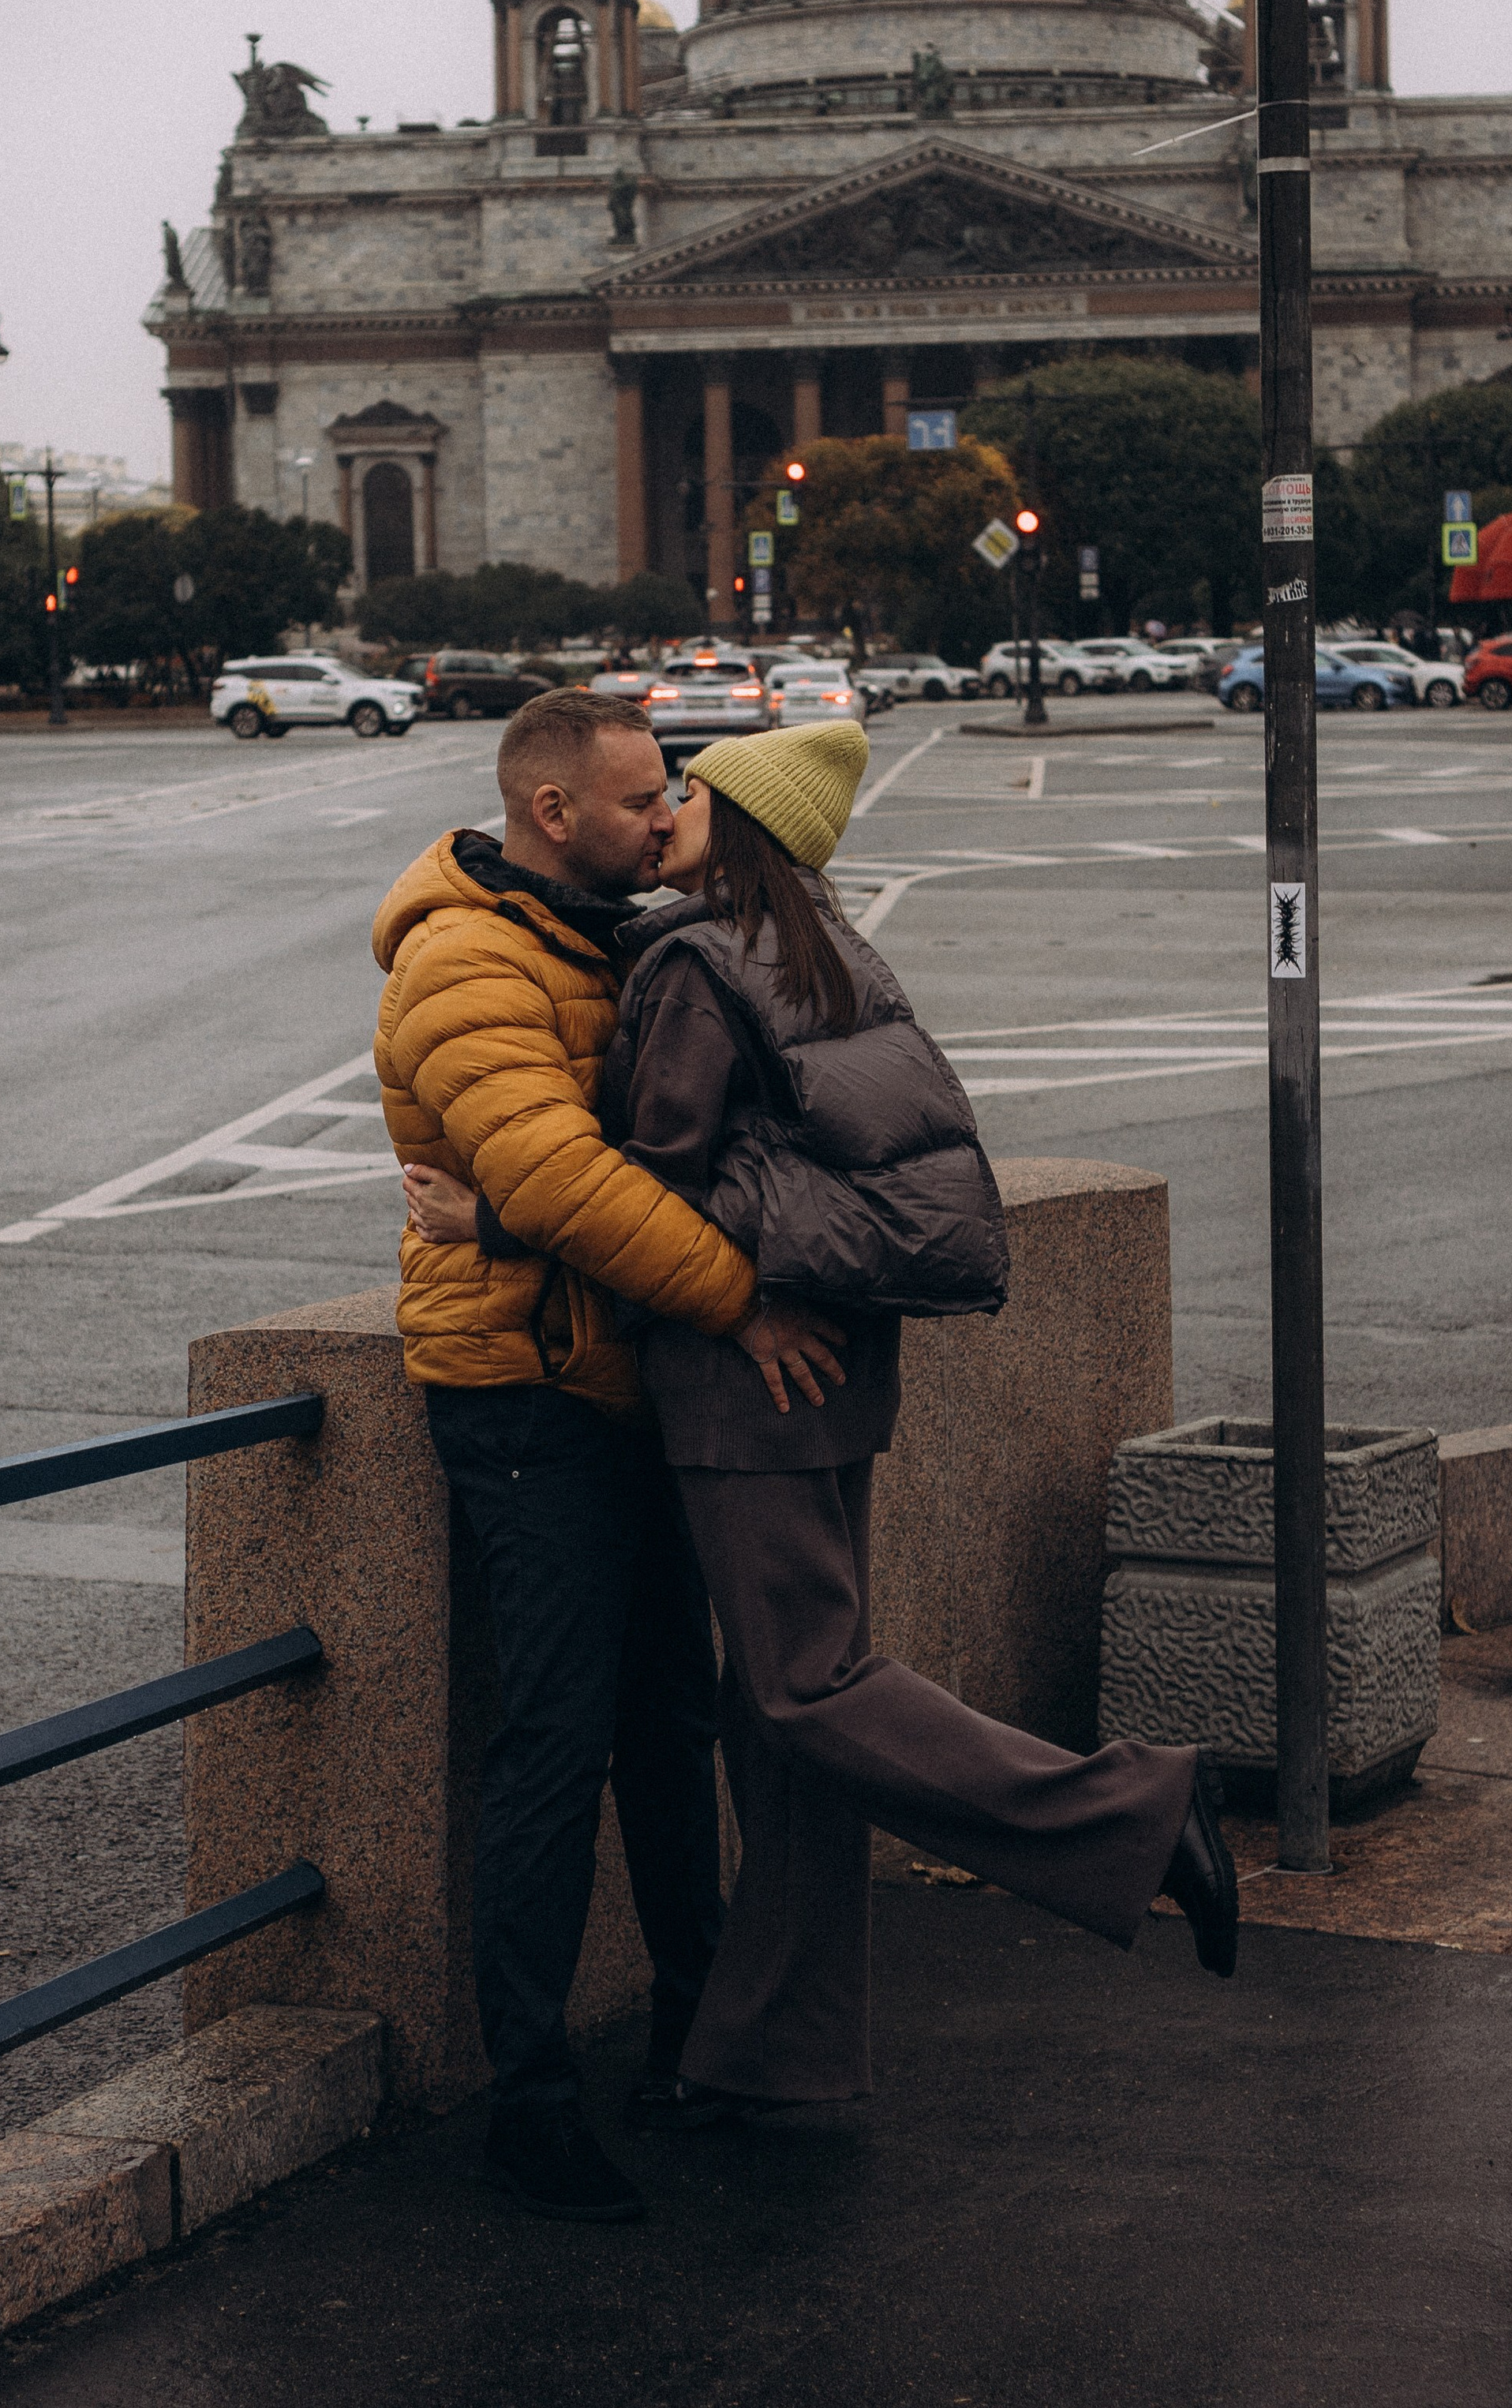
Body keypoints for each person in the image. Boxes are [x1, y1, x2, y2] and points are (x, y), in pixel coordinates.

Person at [410, 717, 1240, 2122]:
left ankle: (1137, 1816)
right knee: (773, 1723)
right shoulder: (828, 948)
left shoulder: (690, 962)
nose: (667, 811)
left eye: (688, 794)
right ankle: (773, 2052)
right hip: (845, 1363)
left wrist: (489, 1216)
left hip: (750, 1382)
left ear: (739, 824)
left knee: (803, 1689)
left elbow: (651, 1183)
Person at [370, 688, 845, 2225]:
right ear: (553, 811)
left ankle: (693, 2044)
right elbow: (568, 1180)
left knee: (668, 1724)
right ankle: (529, 2108)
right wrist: (742, 1306)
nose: (666, 817)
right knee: (557, 1743)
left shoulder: (602, 936)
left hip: (620, 1377)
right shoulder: (464, 960)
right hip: (525, 1398)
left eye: (671, 792)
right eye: (643, 798)